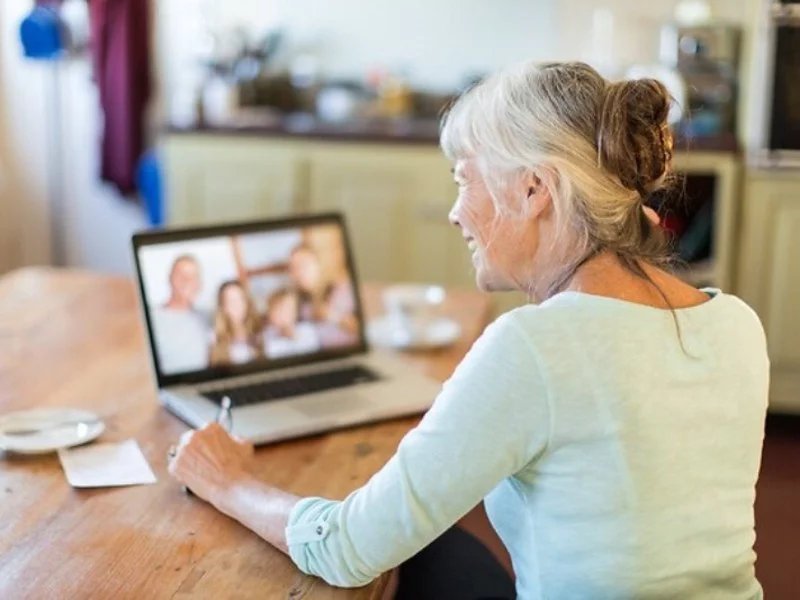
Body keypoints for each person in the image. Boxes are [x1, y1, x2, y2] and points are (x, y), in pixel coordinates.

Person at [168, 62, 769, 599]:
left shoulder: (534, 348)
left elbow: (345, 549)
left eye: (464, 178)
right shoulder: (737, 324)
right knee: (437, 554)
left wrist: (224, 478)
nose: (456, 210)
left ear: (535, 189)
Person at [288, 242, 358, 347]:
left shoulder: (342, 290)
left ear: (318, 265)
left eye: (303, 264)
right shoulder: (301, 304)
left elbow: (359, 329)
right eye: (294, 268)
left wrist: (332, 316)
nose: (299, 272)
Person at [150, 254, 209, 374]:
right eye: (181, 275)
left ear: (199, 284)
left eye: (193, 276)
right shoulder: (153, 318)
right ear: (170, 279)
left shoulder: (207, 317)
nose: (187, 280)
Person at [208, 280, 264, 366]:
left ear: (247, 302)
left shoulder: (261, 329)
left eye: (240, 299)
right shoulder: (214, 337)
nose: (236, 305)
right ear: (222, 307)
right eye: (230, 301)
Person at [263, 287, 321, 359]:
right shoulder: (266, 335)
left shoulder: (307, 330)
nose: (285, 314)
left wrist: (294, 336)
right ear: (270, 312)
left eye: (290, 308)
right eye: (280, 308)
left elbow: (312, 352)